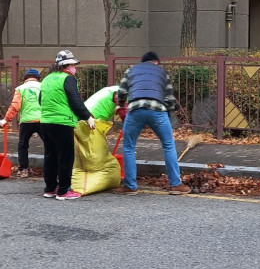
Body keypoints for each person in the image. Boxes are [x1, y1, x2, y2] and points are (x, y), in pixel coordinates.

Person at [114, 51, 191, 195]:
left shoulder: (131, 70)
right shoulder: (162, 72)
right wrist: (166, 115)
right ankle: (176, 185)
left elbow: (121, 92)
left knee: (129, 146)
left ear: (143, 62)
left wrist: (122, 105)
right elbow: (169, 98)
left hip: (136, 109)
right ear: (156, 62)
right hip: (157, 110)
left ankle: (130, 186)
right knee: (168, 144)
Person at [39, 50, 96, 200]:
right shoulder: (68, 79)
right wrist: (87, 117)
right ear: (66, 66)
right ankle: (64, 191)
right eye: (73, 65)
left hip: (45, 122)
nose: (74, 68)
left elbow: (40, 100)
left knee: (50, 155)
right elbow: (75, 101)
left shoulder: (46, 79)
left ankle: (50, 188)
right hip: (62, 123)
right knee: (65, 157)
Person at [0, 68, 43, 177]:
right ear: (37, 78)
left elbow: (15, 106)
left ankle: (24, 169)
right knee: (49, 144)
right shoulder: (43, 87)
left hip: (26, 121)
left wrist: (6, 119)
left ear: (25, 78)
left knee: (23, 145)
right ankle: (51, 169)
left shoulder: (20, 88)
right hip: (42, 120)